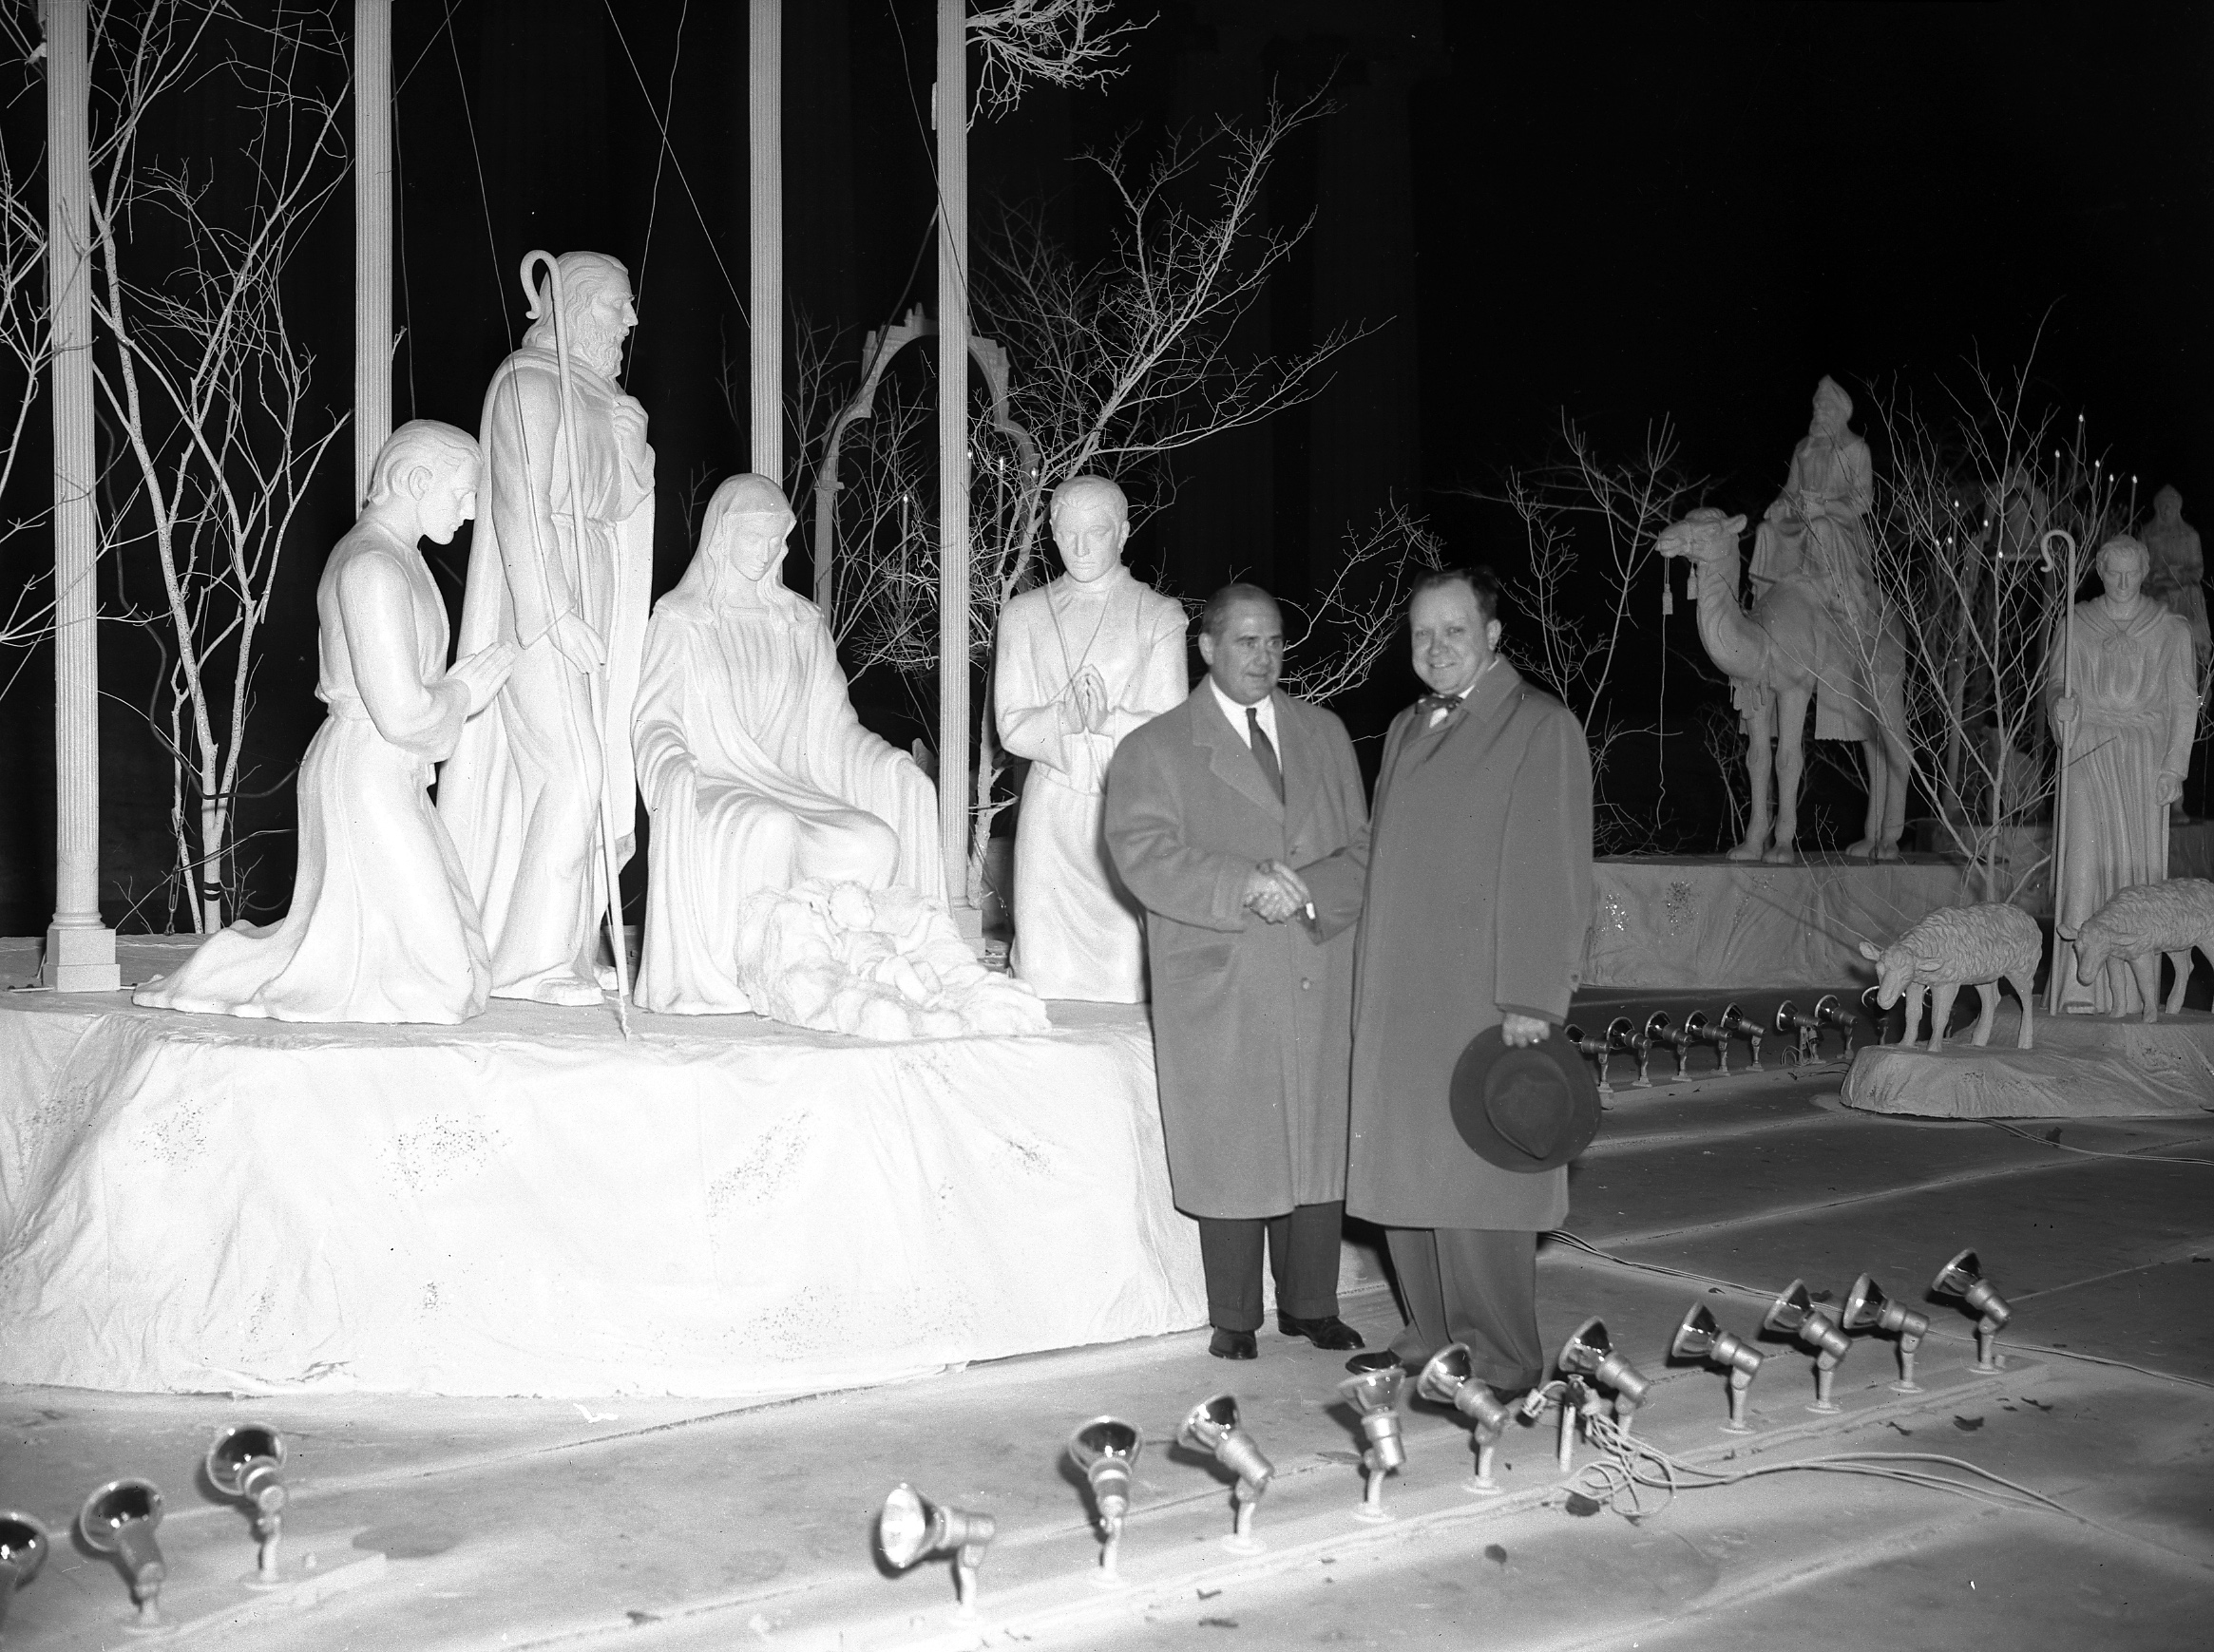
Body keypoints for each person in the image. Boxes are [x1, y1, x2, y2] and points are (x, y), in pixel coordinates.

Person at [136, 423, 515, 1023]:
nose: (471, 513)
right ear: (417, 481)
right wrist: (465, 689)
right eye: (464, 494)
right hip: (366, 769)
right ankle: (237, 972)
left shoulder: (402, 558)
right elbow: (400, 711)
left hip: (389, 771)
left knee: (453, 964)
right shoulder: (373, 566)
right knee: (439, 980)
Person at [1337, 567, 1593, 1398]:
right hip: (1400, 995)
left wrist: (1532, 997)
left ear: (1492, 635)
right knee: (1409, 1180)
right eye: (1421, 634)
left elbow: (1552, 873)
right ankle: (1429, 1335)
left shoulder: (1538, 726)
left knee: (1480, 1186)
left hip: (1482, 1000)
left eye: (1454, 631)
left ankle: (1503, 1356)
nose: (1436, 648)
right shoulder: (1409, 728)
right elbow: (1380, 857)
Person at [1103, 583, 1369, 1359]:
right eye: (1246, 641)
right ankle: (1234, 1316)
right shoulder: (1153, 749)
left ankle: (1313, 1305)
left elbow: (1362, 847)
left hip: (1315, 963)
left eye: (1275, 641)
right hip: (1223, 973)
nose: (1264, 656)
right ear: (1208, 647)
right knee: (1236, 1142)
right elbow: (1143, 852)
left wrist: (1310, 890)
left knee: (1315, 1142)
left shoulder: (1324, 733)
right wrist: (1240, 884)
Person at [632, 474, 943, 1016]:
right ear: (721, 539)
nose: (768, 550)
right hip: (718, 782)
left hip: (795, 785)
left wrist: (890, 766)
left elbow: (834, 726)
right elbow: (655, 719)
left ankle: (839, 962)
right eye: (754, 536)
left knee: (873, 841)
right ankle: (762, 970)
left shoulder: (800, 621)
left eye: (777, 538)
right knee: (769, 829)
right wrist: (672, 766)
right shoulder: (680, 620)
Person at [438, 251, 656, 1006]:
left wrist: (634, 450)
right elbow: (521, 507)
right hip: (540, 608)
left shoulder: (603, 398)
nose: (630, 321)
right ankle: (529, 962)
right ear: (572, 305)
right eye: (615, 305)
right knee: (574, 771)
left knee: (586, 777)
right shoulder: (529, 385)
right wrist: (553, 610)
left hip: (591, 589)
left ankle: (561, 948)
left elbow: (621, 509)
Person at [996, 475, 1187, 1000]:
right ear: (1051, 533)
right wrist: (1062, 716)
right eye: (1068, 533)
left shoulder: (1158, 616)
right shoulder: (1023, 616)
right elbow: (1010, 724)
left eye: (1097, 532)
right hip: (1050, 813)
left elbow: (1172, 730)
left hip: (1122, 812)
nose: (1080, 548)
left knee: (1125, 977)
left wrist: (1106, 720)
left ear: (1123, 533)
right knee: (1042, 976)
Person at [2047, 536, 2198, 1015]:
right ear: (2098, 569)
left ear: (2146, 570)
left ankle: (2130, 995)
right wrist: (2060, 709)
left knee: (2134, 876)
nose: (2124, 583)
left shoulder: (2171, 629)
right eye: (2114, 573)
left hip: (2141, 756)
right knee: (2084, 860)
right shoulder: (2075, 624)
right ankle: (2078, 987)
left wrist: (2174, 767)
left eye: (2133, 573)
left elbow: (2182, 703)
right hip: (2088, 749)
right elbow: (2054, 685)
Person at [1750, 377, 1880, 738]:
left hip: (1840, 528)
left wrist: (1823, 504)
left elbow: (1862, 501)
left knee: (1822, 527)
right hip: (1802, 522)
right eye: (1816, 407)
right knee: (1765, 532)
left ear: (1840, 412)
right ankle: (1767, 603)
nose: (1818, 412)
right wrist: (1780, 507)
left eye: (1825, 407)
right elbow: (1790, 491)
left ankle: (1833, 597)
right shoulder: (1804, 448)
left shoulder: (1856, 449)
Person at [2140, 485, 2209, 677]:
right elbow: (2142, 569)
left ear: (2177, 508)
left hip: (2184, 593)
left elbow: (2197, 571)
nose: (2165, 510)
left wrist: (2178, 574)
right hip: (2157, 591)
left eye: (2169, 506)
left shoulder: (2190, 536)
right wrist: (2157, 577)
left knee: (2189, 631)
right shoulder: (2148, 534)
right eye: (2161, 506)